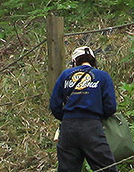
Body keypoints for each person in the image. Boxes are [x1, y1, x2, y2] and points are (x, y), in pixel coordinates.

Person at [48, 43, 118, 171]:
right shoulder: (102, 76)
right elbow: (111, 106)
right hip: (92, 127)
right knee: (107, 168)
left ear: (74, 61)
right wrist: (97, 117)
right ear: (93, 61)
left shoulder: (65, 75)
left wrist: (66, 118)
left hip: (68, 127)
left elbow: (54, 104)